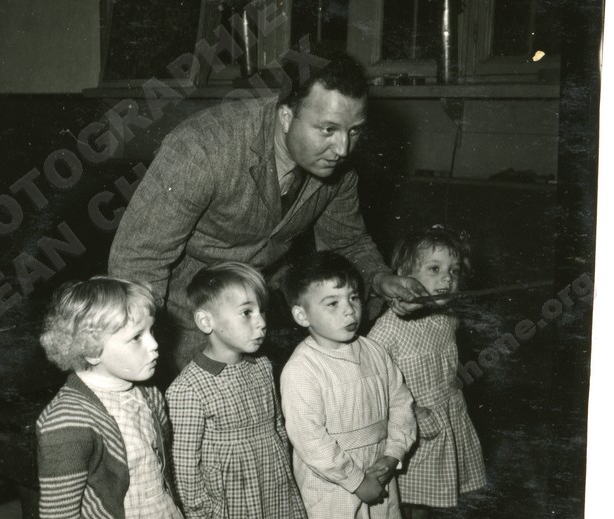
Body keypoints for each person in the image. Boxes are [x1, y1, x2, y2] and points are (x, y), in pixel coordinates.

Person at [108, 45, 426, 377]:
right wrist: (141, 342)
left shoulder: (338, 169)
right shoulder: (202, 148)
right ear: (286, 117)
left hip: (259, 310)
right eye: (328, 130)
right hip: (180, 313)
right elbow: (138, 258)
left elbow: (346, 242)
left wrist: (381, 278)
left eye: (354, 130)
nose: (343, 148)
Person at [36, 276, 199, 519]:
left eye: (151, 331)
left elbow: (161, 470)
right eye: (136, 337)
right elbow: (60, 515)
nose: (155, 345)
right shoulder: (67, 421)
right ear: (92, 350)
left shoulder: (148, 396)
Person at [165, 261, 310, 519]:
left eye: (262, 311)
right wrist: (197, 517)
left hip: (263, 492)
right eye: (246, 312)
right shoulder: (188, 389)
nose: (261, 322)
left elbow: (277, 426)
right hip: (221, 504)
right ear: (206, 321)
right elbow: (183, 463)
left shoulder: (261, 367)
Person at [279, 251, 416, 519]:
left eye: (354, 297)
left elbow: (401, 404)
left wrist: (392, 455)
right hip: (333, 483)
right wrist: (357, 482)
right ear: (302, 315)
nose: (349, 310)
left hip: (377, 468)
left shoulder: (374, 351)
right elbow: (311, 441)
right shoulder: (302, 368)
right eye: (332, 303)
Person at [366, 225, 487, 519]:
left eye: (453, 270)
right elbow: (373, 384)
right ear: (404, 276)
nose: (446, 278)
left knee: (421, 518)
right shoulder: (387, 329)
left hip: (442, 430)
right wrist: (414, 411)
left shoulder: (447, 318)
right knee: (397, 518)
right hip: (409, 437)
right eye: (434, 268)